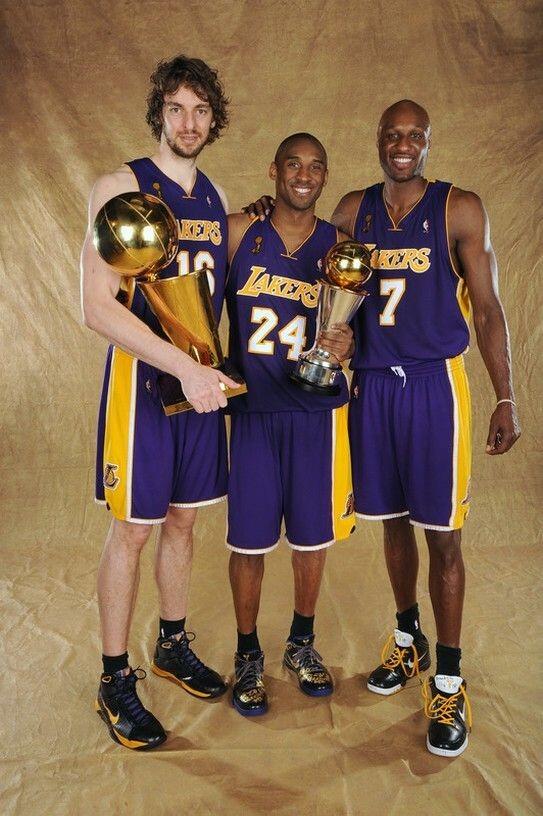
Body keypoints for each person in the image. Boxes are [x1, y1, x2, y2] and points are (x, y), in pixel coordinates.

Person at [330, 100, 521, 756]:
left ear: (428, 143)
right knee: (391, 522)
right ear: (378, 140)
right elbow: (322, 279)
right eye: (393, 135)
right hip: (372, 388)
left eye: (415, 136)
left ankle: (448, 678)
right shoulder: (352, 211)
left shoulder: (457, 209)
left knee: (442, 536)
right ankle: (408, 638)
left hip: (434, 387)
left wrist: (505, 396)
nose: (403, 145)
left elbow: (487, 308)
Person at [80, 55, 239, 750]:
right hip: (144, 386)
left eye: (201, 111)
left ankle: (171, 645)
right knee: (133, 530)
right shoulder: (120, 186)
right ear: (159, 113)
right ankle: (114, 678)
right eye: (177, 108)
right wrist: (181, 367)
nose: (188, 122)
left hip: (198, 388)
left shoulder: (213, 196)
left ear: (213, 120)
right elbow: (94, 305)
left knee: (182, 521)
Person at [225, 133, 355, 716]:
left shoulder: (340, 247)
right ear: (274, 170)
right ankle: (247, 653)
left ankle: (301, 642)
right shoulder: (239, 233)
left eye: (316, 167)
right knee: (248, 543)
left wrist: (348, 345)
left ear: (325, 176)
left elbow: (358, 331)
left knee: (310, 540)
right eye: (294, 165)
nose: (304, 176)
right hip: (255, 411)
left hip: (314, 412)